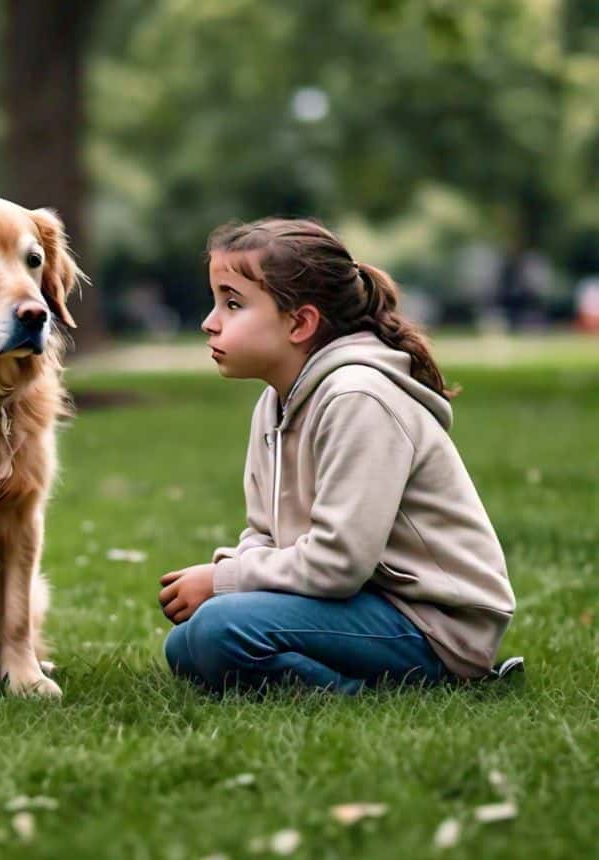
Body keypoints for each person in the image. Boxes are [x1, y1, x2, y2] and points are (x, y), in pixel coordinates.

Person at [160, 218, 520, 695]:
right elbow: (267, 532)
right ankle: (338, 679)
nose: (210, 321)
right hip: (358, 602)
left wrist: (225, 580)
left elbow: (338, 562)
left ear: (300, 322)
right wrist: (232, 572)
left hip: (432, 623)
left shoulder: (358, 398)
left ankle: (382, 692)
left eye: (232, 303)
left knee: (218, 630)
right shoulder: (275, 403)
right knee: (187, 644)